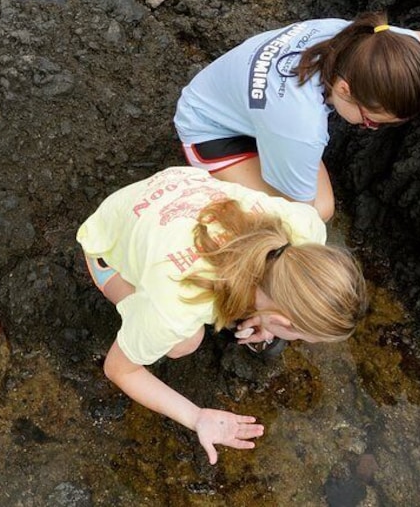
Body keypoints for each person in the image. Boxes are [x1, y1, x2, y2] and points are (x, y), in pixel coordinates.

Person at [77, 166, 368, 464]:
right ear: (282, 321)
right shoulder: (179, 303)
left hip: (173, 189)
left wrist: (264, 320)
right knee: (185, 342)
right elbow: (119, 369)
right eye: (297, 335)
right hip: (108, 241)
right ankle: (115, 276)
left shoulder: (305, 229)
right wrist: (196, 416)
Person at [175, 11, 420, 221]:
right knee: (316, 213)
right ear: (345, 90)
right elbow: (299, 213)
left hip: (246, 107)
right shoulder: (300, 127)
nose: (370, 129)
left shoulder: (366, 43)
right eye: (371, 120)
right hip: (213, 132)